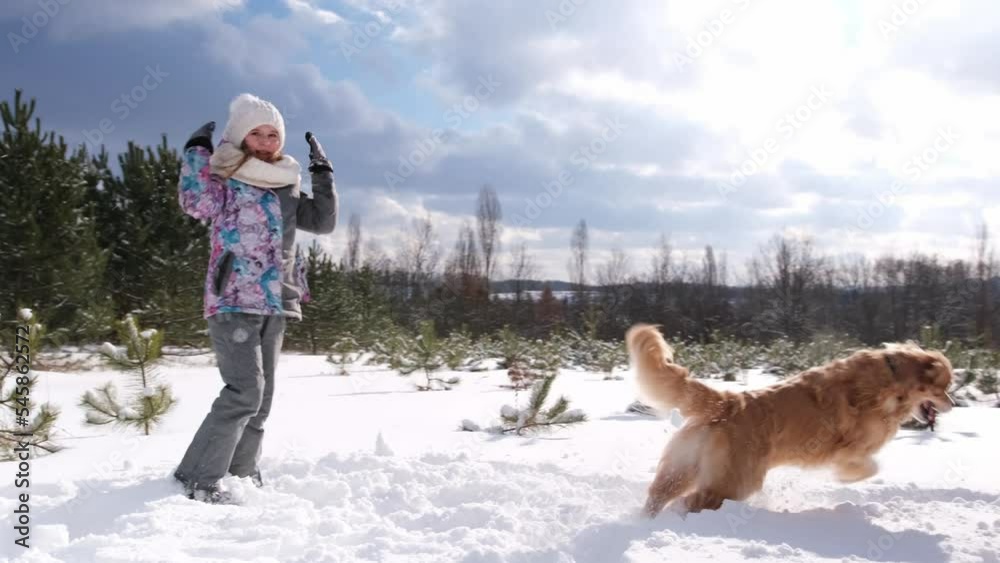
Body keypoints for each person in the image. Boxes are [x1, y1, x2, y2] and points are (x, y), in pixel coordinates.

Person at [173, 93, 338, 503]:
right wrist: (196, 152)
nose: (266, 141)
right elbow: (195, 202)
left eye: (272, 134)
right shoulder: (224, 178)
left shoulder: (286, 185)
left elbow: (323, 222)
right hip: (233, 300)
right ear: (240, 136)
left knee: (261, 401)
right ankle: (198, 478)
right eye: (257, 133)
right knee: (244, 391)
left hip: (276, 301)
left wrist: (322, 170)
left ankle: (241, 474)